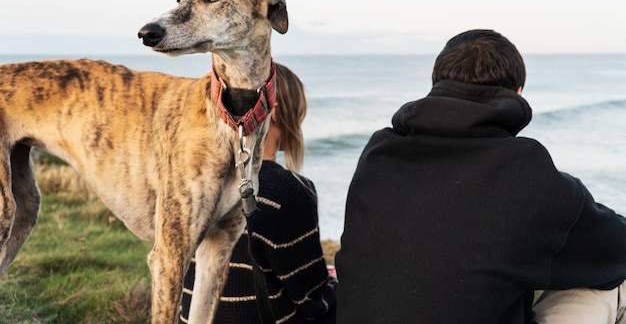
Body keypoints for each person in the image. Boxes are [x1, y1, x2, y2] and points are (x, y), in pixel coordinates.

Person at [335, 29, 626, 324]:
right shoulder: (525, 169)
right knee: (611, 284)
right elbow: (616, 247)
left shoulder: (379, 154)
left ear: (436, 86)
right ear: (518, 93)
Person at [179, 62, 337, 324]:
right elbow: (313, 301)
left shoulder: (192, 182)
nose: (301, 119)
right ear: (276, 112)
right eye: (300, 110)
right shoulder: (290, 192)